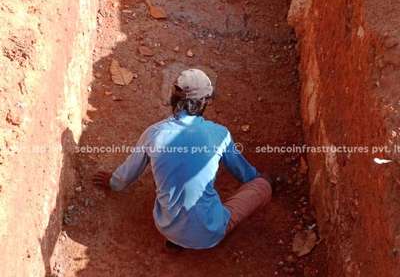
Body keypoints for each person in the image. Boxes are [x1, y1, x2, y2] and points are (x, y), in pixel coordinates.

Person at [94, 69, 273, 250]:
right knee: (261, 185)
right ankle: (266, 186)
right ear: (204, 102)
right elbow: (245, 174)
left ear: (173, 98)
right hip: (210, 232)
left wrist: (112, 182)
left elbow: (124, 178)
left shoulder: (153, 134)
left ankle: (178, 239)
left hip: (166, 227)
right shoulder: (220, 134)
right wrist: (259, 179)